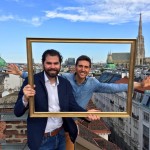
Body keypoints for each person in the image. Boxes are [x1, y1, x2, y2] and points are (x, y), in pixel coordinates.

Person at [8, 55, 150, 150]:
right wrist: (22, 74)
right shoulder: (64, 78)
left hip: (72, 122)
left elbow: (113, 88)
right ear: (75, 67)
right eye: (80, 66)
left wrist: (138, 85)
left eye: (86, 67)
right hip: (57, 121)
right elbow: (43, 76)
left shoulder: (93, 83)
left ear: (90, 69)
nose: (83, 69)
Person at [14, 49, 99, 150]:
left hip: (61, 135)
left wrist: (86, 114)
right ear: (43, 64)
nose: (53, 67)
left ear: (60, 65)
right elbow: (17, 112)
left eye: (56, 63)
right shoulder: (32, 81)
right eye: (49, 63)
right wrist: (25, 98)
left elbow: (72, 105)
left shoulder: (64, 83)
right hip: (41, 140)